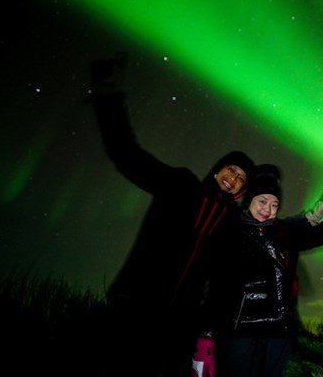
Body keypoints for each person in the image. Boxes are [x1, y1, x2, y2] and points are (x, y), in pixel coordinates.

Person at [87, 53, 256, 377]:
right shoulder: (181, 184)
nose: (233, 178)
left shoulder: (230, 224)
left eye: (241, 179)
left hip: (179, 325)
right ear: (218, 168)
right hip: (134, 308)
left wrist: (206, 334)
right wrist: (107, 96)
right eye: (230, 169)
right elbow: (127, 154)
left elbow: (221, 284)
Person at [195, 164, 323, 377]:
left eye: (274, 204)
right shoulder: (230, 233)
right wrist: (206, 336)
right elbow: (215, 288)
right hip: (240, 332)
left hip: (279, 332)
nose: (267, 209)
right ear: (249, 201)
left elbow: (321, 235)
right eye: (262, 201)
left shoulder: (284, 234)